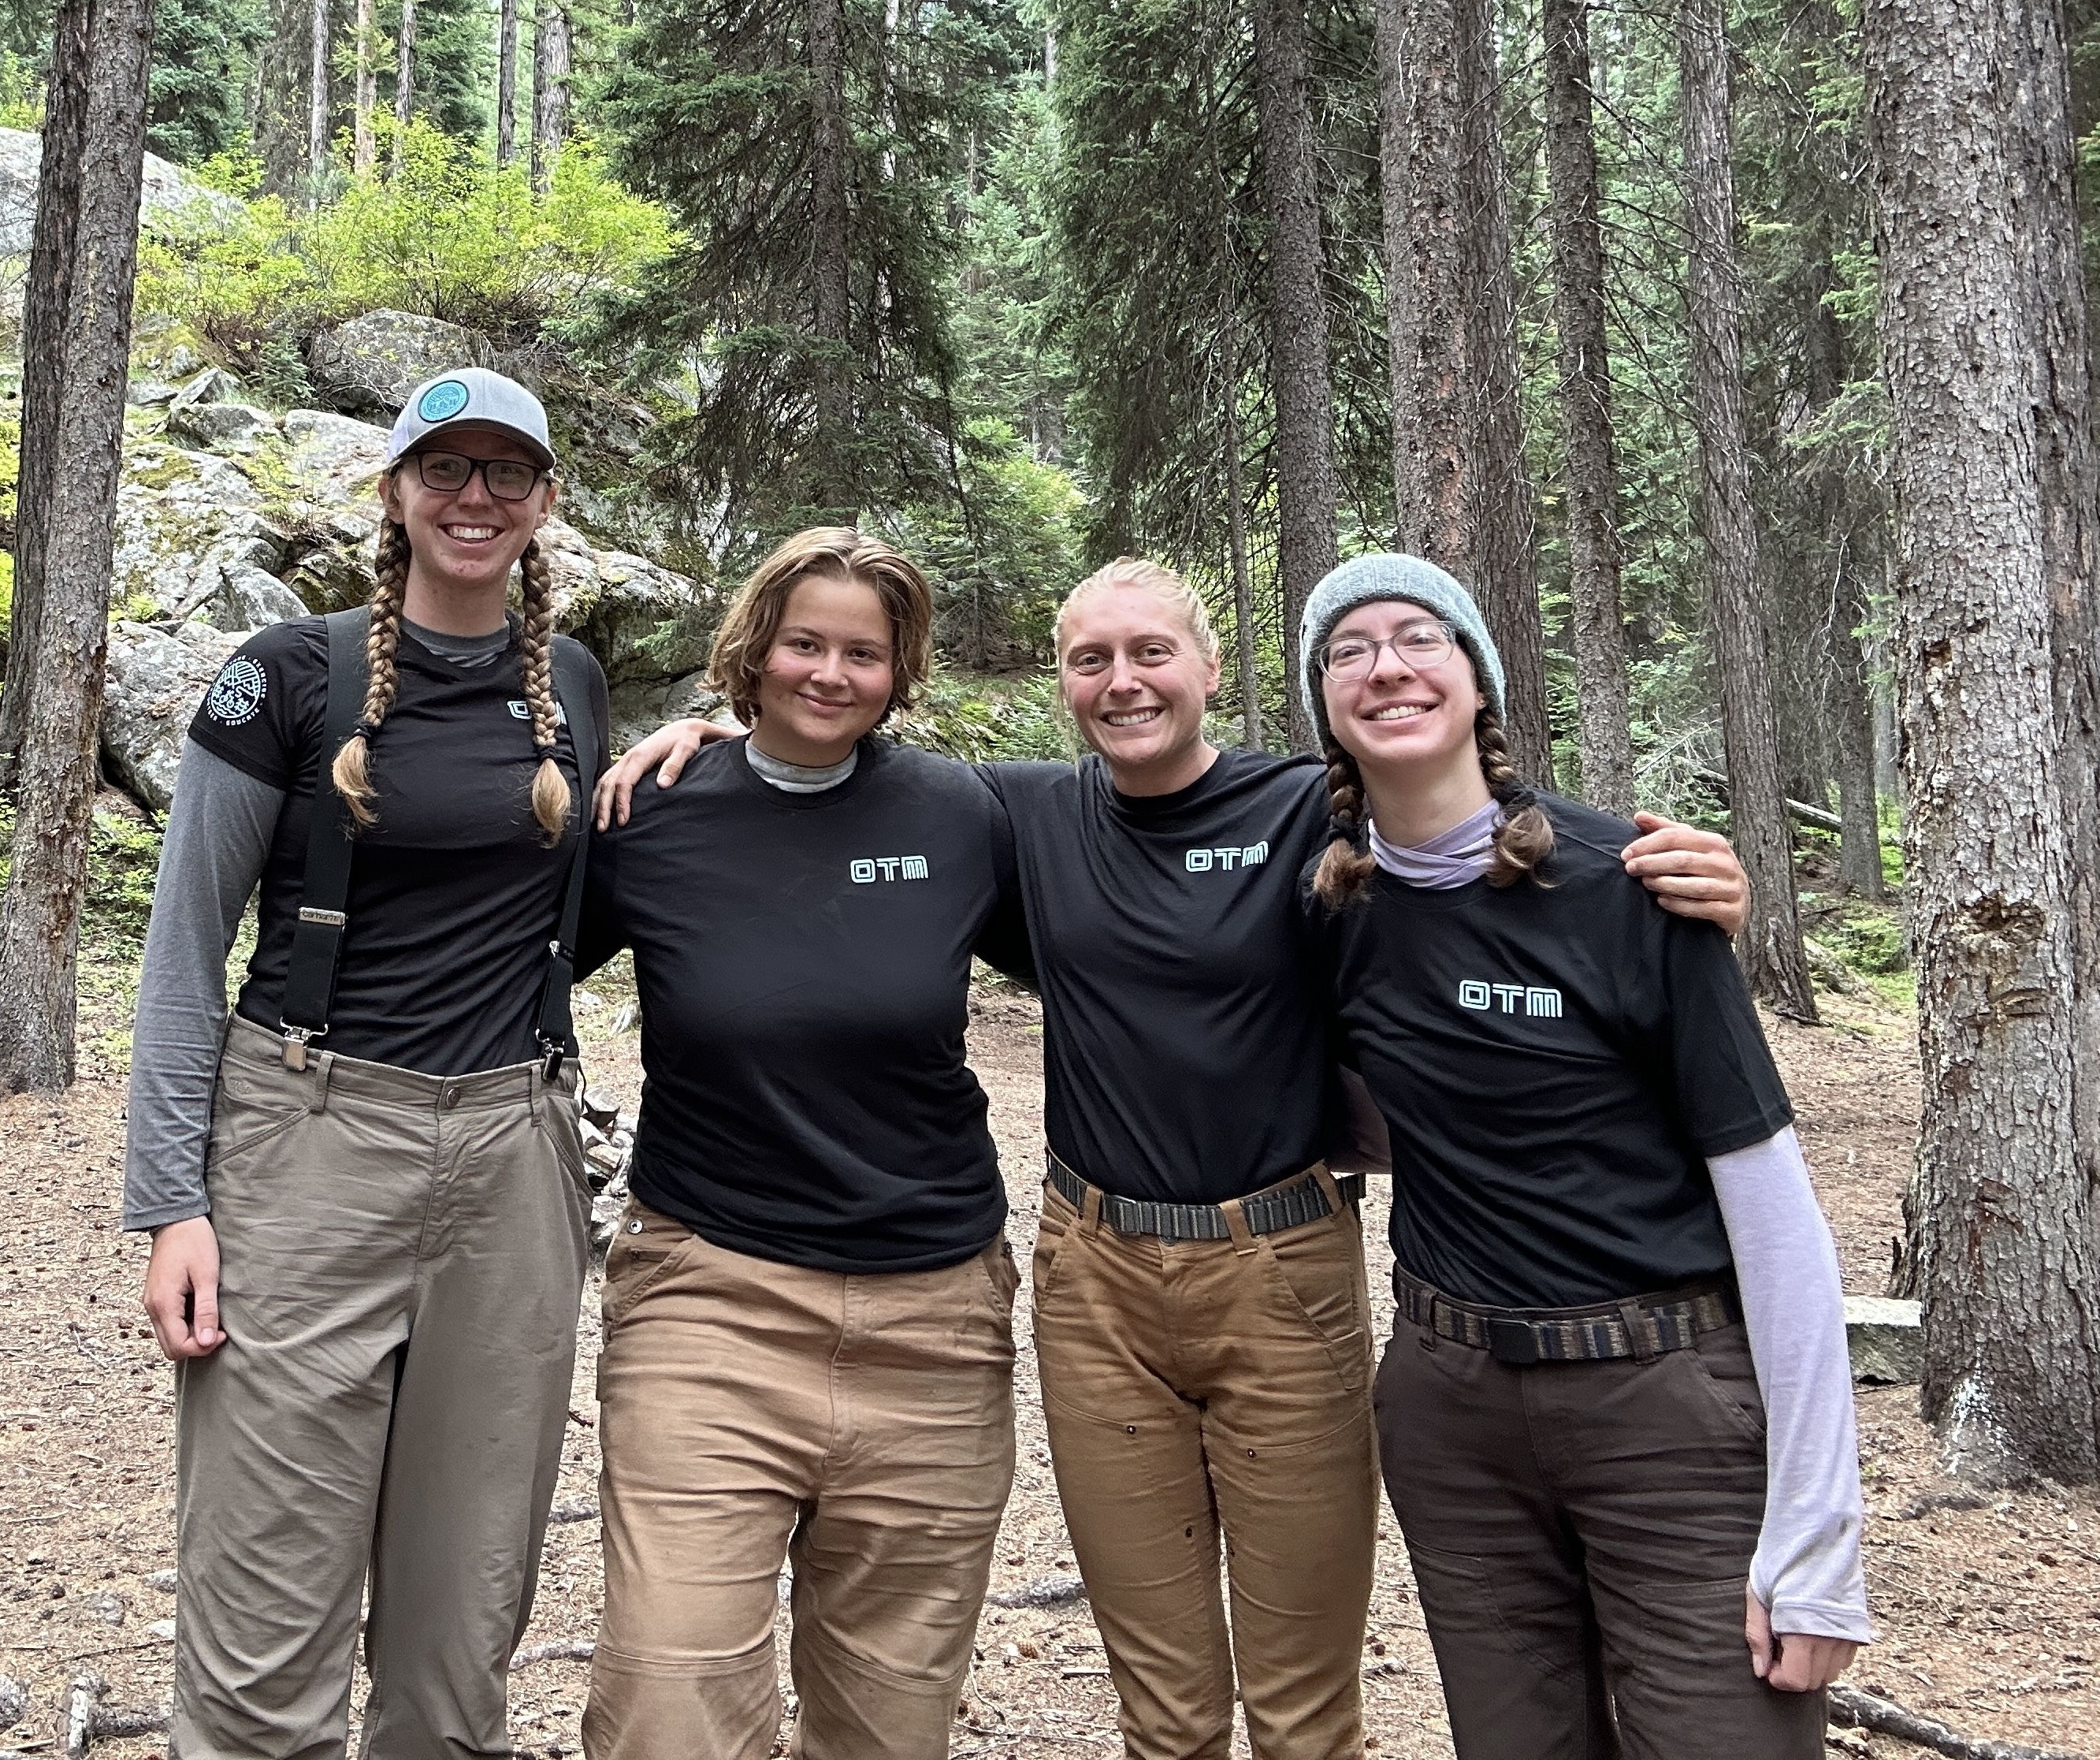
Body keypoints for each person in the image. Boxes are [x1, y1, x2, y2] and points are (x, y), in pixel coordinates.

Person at [596, 556, 1750, 1759]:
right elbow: (822, 775)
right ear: (1062, 683)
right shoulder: (1018, 814)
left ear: (1209, 668)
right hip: (1094, 1279)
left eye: (1151, 652)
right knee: (1161, 1704)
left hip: (1283, 1266)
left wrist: (1655, 870)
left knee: (1304, 1706)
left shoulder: (1309, 808)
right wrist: (722, 729)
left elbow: (1461, 830)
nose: (1123, 681)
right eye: (1091, 658)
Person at [1296, 552, 1873, 1758]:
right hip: (1452, 1421)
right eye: (1348, 649)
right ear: (1323, 706)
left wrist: (1818, 1544)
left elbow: (1774, 1216)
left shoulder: (1630, 885)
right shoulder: (1335, 910)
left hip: (1663, 1406)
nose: (1385, 665)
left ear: (1477, 681)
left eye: (1419, 638)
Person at [123, 367, 609, 1759]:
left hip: (515, 1159)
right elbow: (180, 958)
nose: (474, 498)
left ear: (543, 501)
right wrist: (171, 1203)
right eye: (443, 470)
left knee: (463, 1625)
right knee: (264, 1615)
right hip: (307, 1146)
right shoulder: (284, 676)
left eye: (505, 473)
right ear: (394, 491)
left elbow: (564, 914)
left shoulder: (567, 682)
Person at [574, 527, 1033, 1760]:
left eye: (863, 653)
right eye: (804, 643)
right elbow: (491, 968)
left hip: (936, 1322)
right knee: (671, 1696)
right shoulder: (650, 813)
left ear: (899, 670)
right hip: (708, 1302)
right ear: (753, 650)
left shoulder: (960, 810)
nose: (830, 673)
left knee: (889, 1719)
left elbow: (1154, 890)